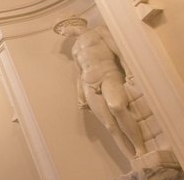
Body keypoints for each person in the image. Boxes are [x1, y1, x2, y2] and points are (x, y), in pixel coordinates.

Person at [54, 16, 147, 159]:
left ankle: (140, 148)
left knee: (116, 106)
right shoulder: (74, 48)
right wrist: (80, 95)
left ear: (70, 23)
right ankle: (133, 160)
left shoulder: (98, 31)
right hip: (88, 83)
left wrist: (128, 70)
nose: (61, 33)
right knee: (110, 126)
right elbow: (79, 72)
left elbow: (119, 52)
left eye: (61, 28)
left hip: (108, 74)